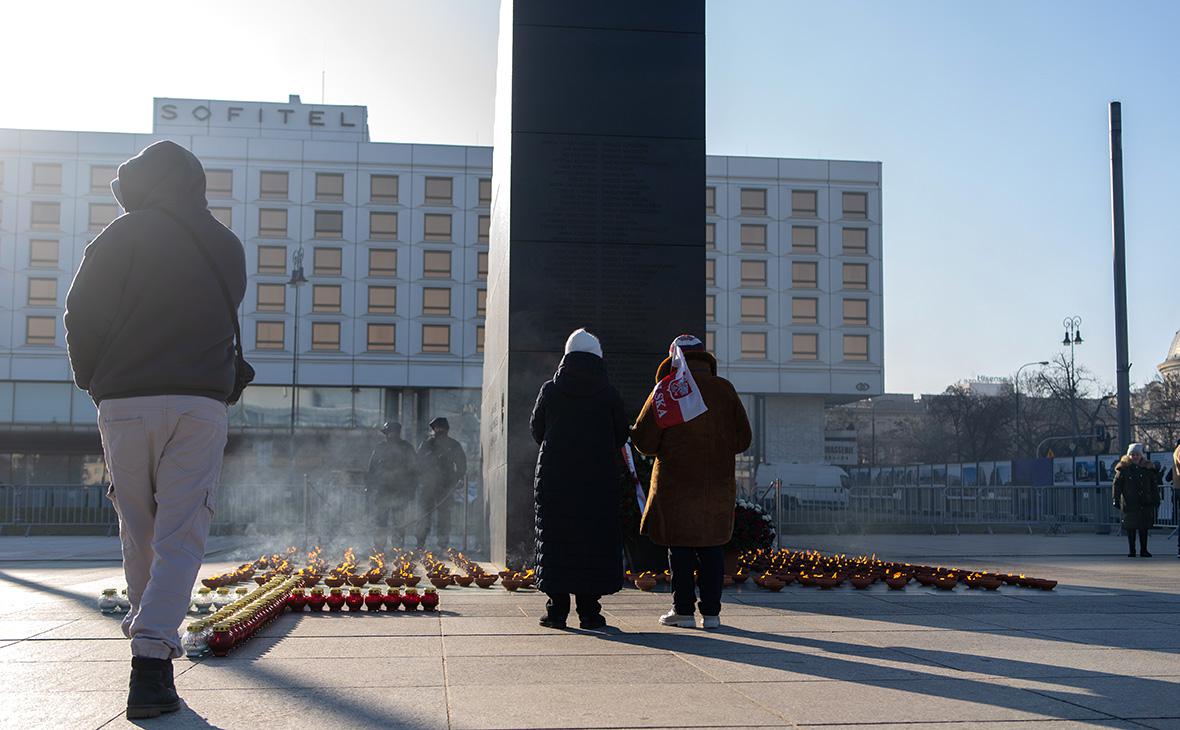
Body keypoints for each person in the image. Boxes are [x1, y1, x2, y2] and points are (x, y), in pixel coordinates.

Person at [64, 140, 246, 719]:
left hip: (124, 400)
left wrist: (95, 379)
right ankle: (151, 665)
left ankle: (149, 656)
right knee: (181, 532)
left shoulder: (120, 235)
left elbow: (79, 311)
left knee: (138, 526)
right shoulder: (224, 243)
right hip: (198, 403)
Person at [631, 334, 751, 629]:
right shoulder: (724, 390)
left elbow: (645, 442)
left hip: (676, 488)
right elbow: (743, 439)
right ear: (702, 357)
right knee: (712, 548)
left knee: (680, 549)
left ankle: (682, 611)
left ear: (674, 359)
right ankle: (711, 614)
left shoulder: (667, 391)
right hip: (716, 487)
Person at [530, 329, 629, 629]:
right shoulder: (609, 393)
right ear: (598, 357)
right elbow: (621, 435)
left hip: (555, 479)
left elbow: (537, 429)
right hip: (597, 481)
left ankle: (556, 610)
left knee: (556, 539)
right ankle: (589, 612)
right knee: (592, 540)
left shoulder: (551, 390)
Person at [415, 416, 467, 549]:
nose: (439, 430)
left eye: (441, 428)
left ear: (446, 429)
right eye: (436, 428)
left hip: (445, 485)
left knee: (444, 516)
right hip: (428, 485)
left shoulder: (453, 445)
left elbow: (461, 463)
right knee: (424, 514)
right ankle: (420, 543)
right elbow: (418, 463)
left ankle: (443, 543)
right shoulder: (427, 444)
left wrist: (458, 478)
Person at [365, 421, 418, 549]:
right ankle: (379, 548)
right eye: (389, 432)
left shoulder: (407, 448)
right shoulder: (380, 448)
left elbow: (414, 471)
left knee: (398, 522)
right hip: (383, 491)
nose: (391, 435)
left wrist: (411, 491)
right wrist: (370, 487)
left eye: (393, 432)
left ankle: (397, 548)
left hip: (401, 491)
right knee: (381, 521)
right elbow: (372, 469)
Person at [1113, 442, 1162, 558]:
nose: (1134, 457)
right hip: (1130, 503)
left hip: (1145, 502)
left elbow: (1153, 486)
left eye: (1137, 454)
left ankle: (1144, 550)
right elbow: (1117, 485)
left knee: (1143, 528)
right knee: (1131, 528)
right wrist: (1116, 499)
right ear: (1129, 455)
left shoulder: (1147, 469)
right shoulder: (1123, 469)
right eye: (1132, 454)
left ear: (1141, 456)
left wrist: (1156, 498)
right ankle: (1132, 550)